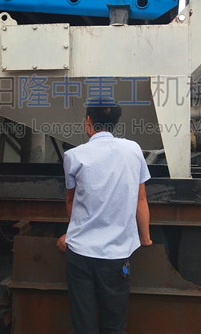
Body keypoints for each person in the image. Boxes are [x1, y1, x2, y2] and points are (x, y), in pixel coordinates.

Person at [56, 103, 152, 334]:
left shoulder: (73, 156)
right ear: (115, 123)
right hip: (116, 255)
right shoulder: (133, 150)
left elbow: (71, 200)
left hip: (80, 253)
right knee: (114, 327)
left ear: (88, 122)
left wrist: (72, 233)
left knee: (83, 325)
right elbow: (140, 199)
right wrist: (145, 239)